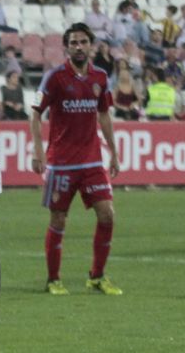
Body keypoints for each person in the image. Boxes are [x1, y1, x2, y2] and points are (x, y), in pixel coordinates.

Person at [31, 24, 122, 296]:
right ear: (67, 47)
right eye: (74, 42)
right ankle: (53, 279)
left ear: (91, 45)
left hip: (92, 162)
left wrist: (114, 152)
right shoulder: (55, 78)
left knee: (107, 215)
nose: (79, 46)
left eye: (83, 41)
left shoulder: (100, 77)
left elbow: (104, 114)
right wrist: (38, 152)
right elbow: (35, 113)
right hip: (62, 163)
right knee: (59, 220)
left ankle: (97, 276)